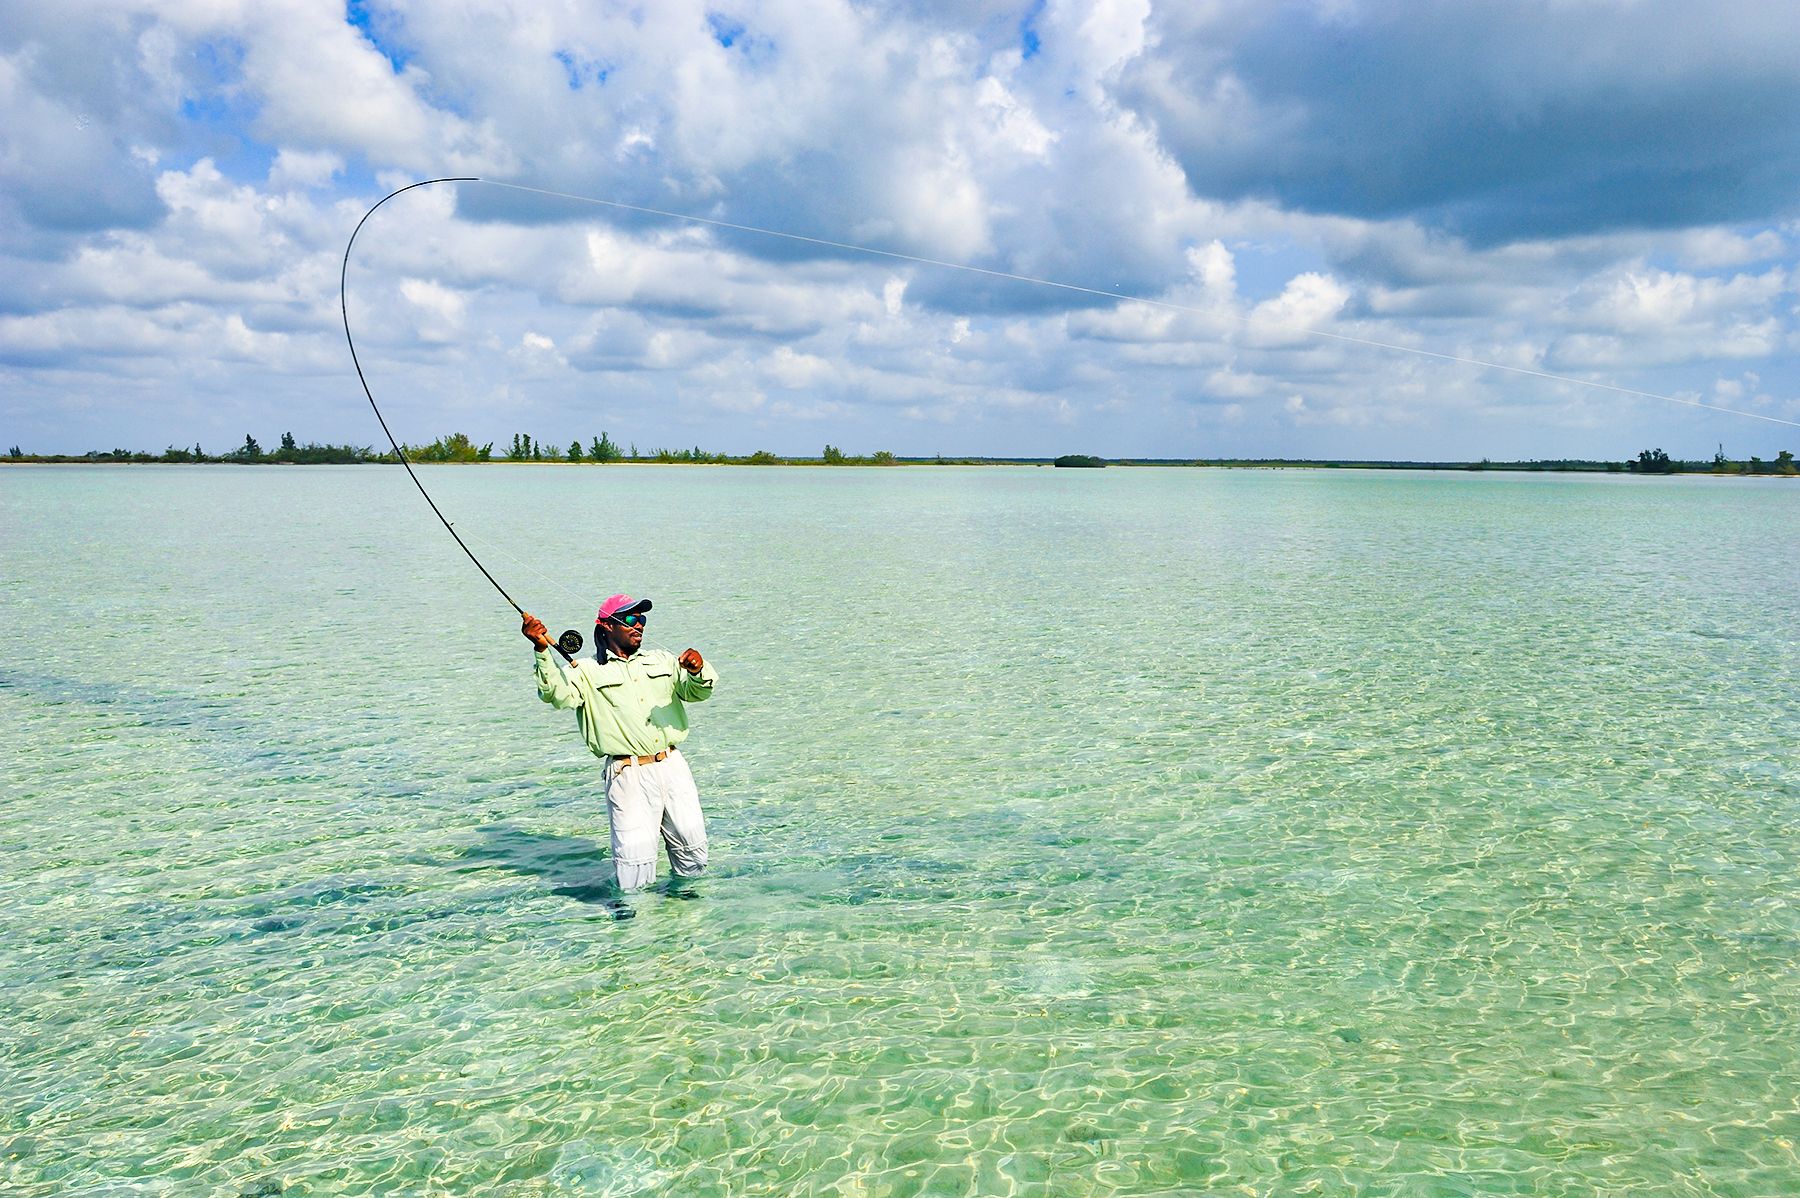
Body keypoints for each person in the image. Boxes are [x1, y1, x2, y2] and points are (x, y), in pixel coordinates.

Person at [520, 594, 718, 892]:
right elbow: (555, 695)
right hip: (628, 773)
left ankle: (690, 916)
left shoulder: (663, 661)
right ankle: (635, 928)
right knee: (634, 862)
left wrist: (698, 669)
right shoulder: (584, 671)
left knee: (693, 851)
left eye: (641, 619)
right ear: (606, 626)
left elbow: (697, 692)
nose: (637, 624)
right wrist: (541, 649)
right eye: (628, 619)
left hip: (673, 765)